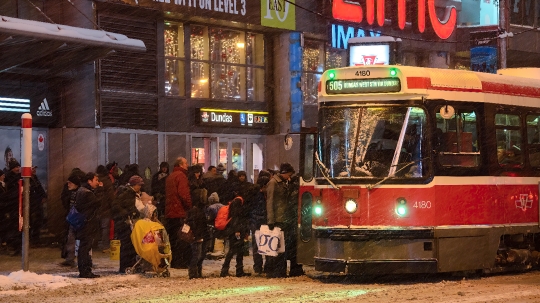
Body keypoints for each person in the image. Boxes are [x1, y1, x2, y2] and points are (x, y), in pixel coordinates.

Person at [265, 162, 296, 278]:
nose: (290, 177)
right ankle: (276, 270)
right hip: (277, 219)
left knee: (281, 246)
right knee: (276, 247)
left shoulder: (282, 183)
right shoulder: (273, 183)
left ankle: (280, 270)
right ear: (284, 173)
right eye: (289, 174)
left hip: (283, 218)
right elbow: (270, 202)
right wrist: (270, 220)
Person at [111, 175, 143, 274]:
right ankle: (125, 266)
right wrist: (127, 213)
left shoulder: (126, 192)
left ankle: (128, 265)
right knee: (127, 245)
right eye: (139, 185)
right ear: (135, 185)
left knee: (128, 244)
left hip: (122, 222)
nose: (140, 187)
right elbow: (118, 205)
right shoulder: (128, 193)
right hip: (124, 222)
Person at [165, 157, 192, 268]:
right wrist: (189, 206)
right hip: (179, 212)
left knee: (173, 238)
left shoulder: (170, 176)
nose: (187, 165)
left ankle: (174, 261)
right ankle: (181, 262)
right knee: (182, 237)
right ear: (181, 164)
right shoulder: (181, 176)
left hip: (170, 212)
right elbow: (183, 194)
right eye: (186, 163)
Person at [74, 172, 102, 278]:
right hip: (87, 223)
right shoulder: (88, 193)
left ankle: (84, 270)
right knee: (85, 248)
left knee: (83, 247)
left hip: (83, 223)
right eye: (96, 180)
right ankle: (85, 270)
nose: (98, 182)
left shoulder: (81, 190)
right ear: (89, 181)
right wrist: (100, 190)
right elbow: (98, 203)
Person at [219, 196, 251, 277]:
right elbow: (237, 218)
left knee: (234, 251)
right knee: (235, 251)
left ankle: (226, 270)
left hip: (233, 231)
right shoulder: (238, 203)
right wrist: (238, 230)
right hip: (237, 232)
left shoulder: (234, 204)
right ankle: (236, 270)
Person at [185, 187, 210, 279]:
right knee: (197, 255)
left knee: (201, 255)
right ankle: (193, 273)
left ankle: (197, 272)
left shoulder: (201, 209)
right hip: (197, 235)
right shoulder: (196, 210)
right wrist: (196, 235)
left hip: (201, 234)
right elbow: (194, 224)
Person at [60, 173, 83, 267]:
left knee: (75, 239)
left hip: (78, 219)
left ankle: (76, 258)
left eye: (70, 183)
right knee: (71, 238)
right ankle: (70, 257)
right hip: (73, 218)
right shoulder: (71, 192)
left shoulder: (80, 193)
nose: (68, 185)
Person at [249, 175, 270, 275]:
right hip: (259, 222)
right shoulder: (258, 194)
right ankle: (259, 266)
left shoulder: (257, 194)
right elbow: (257, 209)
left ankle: (259, 266)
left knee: (259, 244)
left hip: (257, 222)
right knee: (262, 244)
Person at [3, 159, 22, 256]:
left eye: (18, 167)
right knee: (15, 227)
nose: (17, 169)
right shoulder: (9, 178)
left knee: (18, 227)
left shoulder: (18, 177)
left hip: (17, 205)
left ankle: (18, 247)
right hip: (13, 206)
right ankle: (16, 246)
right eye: (16, 167)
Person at [96, 165, 114, 253]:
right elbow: (111, 196)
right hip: (106, 207)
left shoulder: (95, 180)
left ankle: (96, 244)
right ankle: (105, 246)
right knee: (105, 227)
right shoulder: (107, 182)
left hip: (96, 207)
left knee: (97, 227)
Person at [29, 166, 47, 246]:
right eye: (32, 169)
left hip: (37, 203)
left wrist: (43, 196)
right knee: (32, 222)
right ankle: (32, 239)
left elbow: (40, 188)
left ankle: (36, 239)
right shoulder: (27, 179)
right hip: (32, 204)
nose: (34, 170)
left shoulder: (35, 178)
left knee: (38, 221)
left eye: (35, 169)